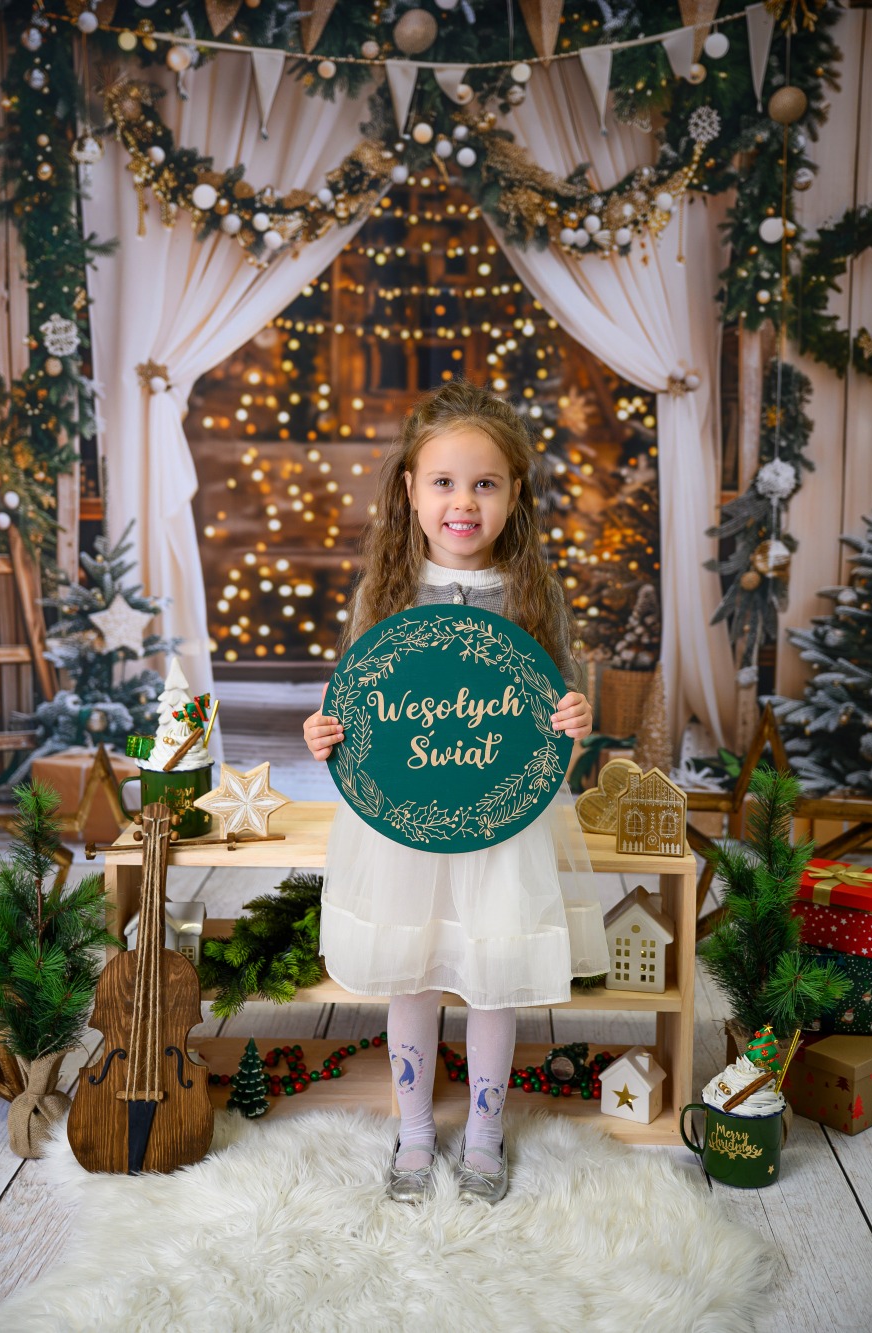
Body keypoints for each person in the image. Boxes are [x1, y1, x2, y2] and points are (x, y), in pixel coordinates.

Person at [303, 381, 609, 1205]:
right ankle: (412, 1131)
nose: (462, 502)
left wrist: (574, 716)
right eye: (443, 482)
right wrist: (324, 730)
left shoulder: (533, 595)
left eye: (484, 483)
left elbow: (555, 713)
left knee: (492, 969)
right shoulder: (385, 593)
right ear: (410, 489)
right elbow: (353, 704)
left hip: (501, 825)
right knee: (413, 969)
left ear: (515, 493)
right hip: (402, 826)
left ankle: (482, 1131)